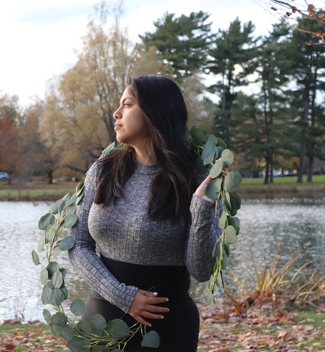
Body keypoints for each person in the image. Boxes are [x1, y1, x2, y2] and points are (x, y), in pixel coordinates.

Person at [68, 74, 223, 351]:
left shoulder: (200, 181)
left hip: (167, 327)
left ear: (154, 112)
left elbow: (201, 270)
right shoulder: (102, 171)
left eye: (127, 104)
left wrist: (201, 206)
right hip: (101, 323)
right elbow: (78, 246)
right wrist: (123, 296)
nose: (116, 114)